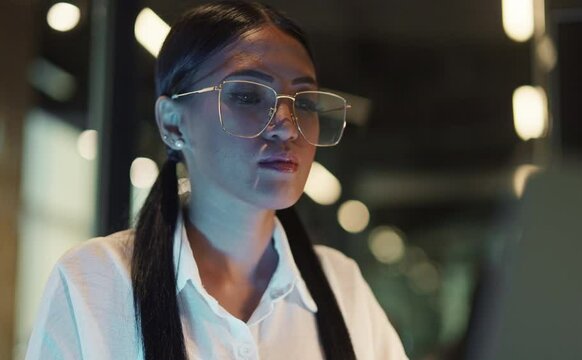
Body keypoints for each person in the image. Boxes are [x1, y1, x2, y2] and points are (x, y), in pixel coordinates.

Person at [26, 1, 407, 359]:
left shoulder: (341, 286)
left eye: (303, 102)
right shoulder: (96, 282)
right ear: (174, 122)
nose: (287, 127)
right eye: (247, 96)